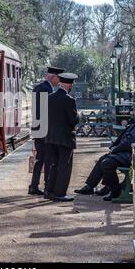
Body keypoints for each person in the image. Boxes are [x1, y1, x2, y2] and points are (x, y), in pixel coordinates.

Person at [74, 96, 135, 201]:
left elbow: (129, 142)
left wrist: (115, 150)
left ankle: (115, 190)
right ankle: (90, 186)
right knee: (103, 158)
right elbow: (125, 138)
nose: (133, 111)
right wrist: (114, 148)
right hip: (133, 152)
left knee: (107, 162)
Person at [29, 66, 65, 195]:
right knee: (48, 159)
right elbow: (46, 112)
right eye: (59, 78)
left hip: (38, 127)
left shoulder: (38, 88)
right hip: (45, 129)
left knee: (40, 158)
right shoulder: (47, 90)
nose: (59, 81)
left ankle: (34, 186)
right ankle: (47, 187)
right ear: (53, 77)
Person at [45, 72, 80, 202]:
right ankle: (59, 193)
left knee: (54, 164)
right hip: (65, 138)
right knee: (64, 166)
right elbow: (73, 120)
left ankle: (49, 191)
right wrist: (78, 115)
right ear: (70, 85)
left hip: (50, 137)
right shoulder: (69, 100)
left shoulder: (49, 97)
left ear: (60, 83)